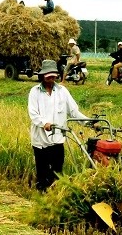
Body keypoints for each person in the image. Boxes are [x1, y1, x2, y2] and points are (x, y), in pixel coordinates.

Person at [28, 59, 89, 192]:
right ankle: (42, 195)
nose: (51, 77)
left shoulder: (62, 91)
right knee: (43, 172)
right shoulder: (35, 92)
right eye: (48, 74)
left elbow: (74, 112)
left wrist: (89, 123)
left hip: (58, 139)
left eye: (53, 74)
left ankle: (55, 196)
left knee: (57, 172)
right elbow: (33, 114)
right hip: (41, 141)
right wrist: (45, 124)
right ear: (42, 75)